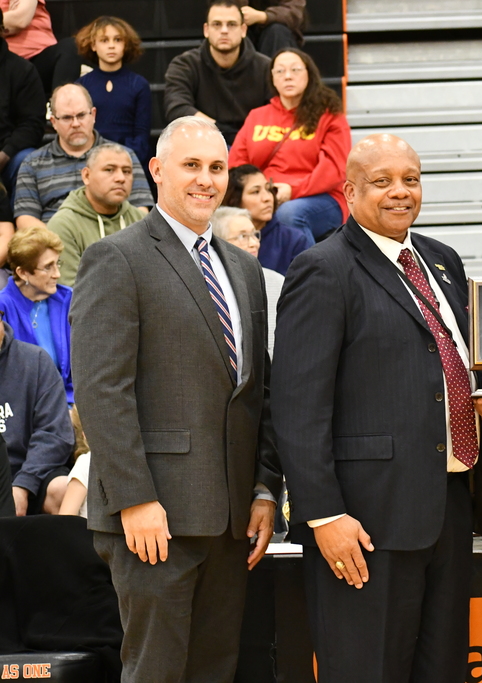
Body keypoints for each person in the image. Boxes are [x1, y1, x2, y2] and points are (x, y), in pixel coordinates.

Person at [271, 133, 482, 683]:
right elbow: (297, 406)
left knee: (442, 671)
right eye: (382, 182)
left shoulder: (442, 260)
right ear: (349, 190)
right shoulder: (323, 269)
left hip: (449, 507)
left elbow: (448, 365)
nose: (400, 192)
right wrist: (324, 514)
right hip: (364, 522)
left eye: (411, 179)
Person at [69, 116, 282, 682]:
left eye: (217, 168)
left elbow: (256, 391)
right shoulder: (117, 258)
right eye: (192, 166)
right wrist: (134, 498)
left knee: (215, 671)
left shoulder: (242, 267)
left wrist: (264, 487)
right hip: (153, 517)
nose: (206, 180)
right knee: (156, 673)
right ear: (157, 171)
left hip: (232, 518)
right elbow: (100, 390)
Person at [228, 48, 350, 242]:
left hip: (320, 198)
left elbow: (334, 169)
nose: (287, 76)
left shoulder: (329, 115)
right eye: (280, 71)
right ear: (273, 79)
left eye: (295, 70)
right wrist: (258, 192)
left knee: (289, 214)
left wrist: (293, 190)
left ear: (308, 74)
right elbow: (237, 164)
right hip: (265, 193)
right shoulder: (257, 116)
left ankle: (309, 272)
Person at [14, 83, 153, 229]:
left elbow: (141, 211)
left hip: (112, 242)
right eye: (67, 118)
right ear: (54, 122)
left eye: (81, 115)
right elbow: (25, 220)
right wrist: (62, 241)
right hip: (54, 244)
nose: (75, 124)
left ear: (93, 115)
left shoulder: (123, 157)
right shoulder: (32, 163)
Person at [163, 0, 274, 146]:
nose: (224, 30)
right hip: (203, 142)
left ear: (243, 30)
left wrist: (243, 139)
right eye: (217, 24)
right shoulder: (185, 64)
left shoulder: (265, 67)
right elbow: (177, 108)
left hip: (253, 143)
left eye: (231, 24)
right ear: (206, 30)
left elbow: (276, 112)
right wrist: (219, 130)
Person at [0, 312, 74, 516]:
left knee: (64, 490)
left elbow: (56, 434)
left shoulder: (35, 360)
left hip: (29, 472)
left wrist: (24, 485)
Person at [47, 143, 147, 286]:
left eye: (126, 171)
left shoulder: (143, 222)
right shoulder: (63, 225)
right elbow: (71, 292)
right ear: (86, 175)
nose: (120, 178)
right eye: (109, 170)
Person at [0, 225, 73, 403]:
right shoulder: (3, 306)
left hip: (66, 403)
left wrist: (71, 406)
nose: (57, 274)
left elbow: (79, 367)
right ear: (22, 272)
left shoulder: (67, 299)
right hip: (20, 407)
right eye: (48, 267)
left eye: (57, 263)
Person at [75, 16, 152, 170]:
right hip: (91, 162)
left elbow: (142, 135)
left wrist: (123, 161)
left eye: (117, 40)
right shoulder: (82, 86)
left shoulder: (139, 84)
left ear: (126, 45)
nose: (111, 46)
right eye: (104, 40)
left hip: (131, 162)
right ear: (93, 45)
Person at [211, 206, 283, 357]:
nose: (254, 243)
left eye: (255, 235)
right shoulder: (209, 284)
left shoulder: (277, 281)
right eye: (243, 236)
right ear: (218, 242)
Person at [223, 164, 312, 275]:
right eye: (255, 192)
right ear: (234, 199)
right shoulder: (220, 236)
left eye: (269, 189)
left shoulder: (294, 240)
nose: (267, 198)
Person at [0, 9, 46, 198]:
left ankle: (20, 221)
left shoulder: (22, 70)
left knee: (27, 161)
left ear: (1, 29)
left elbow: (32, 125)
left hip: (7, 156)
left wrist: (4, 155)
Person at [0, 0, 81, 96]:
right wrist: (9, 19)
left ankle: (61, 106)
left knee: (70, 46)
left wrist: (6, 19)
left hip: (40, 60)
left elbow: (20, 20)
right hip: (6, 65)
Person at [239, 0, 306, 57]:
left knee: (277, 31)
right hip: (244, 32)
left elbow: (294, 13)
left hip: (276, 36)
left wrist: (263, 16)